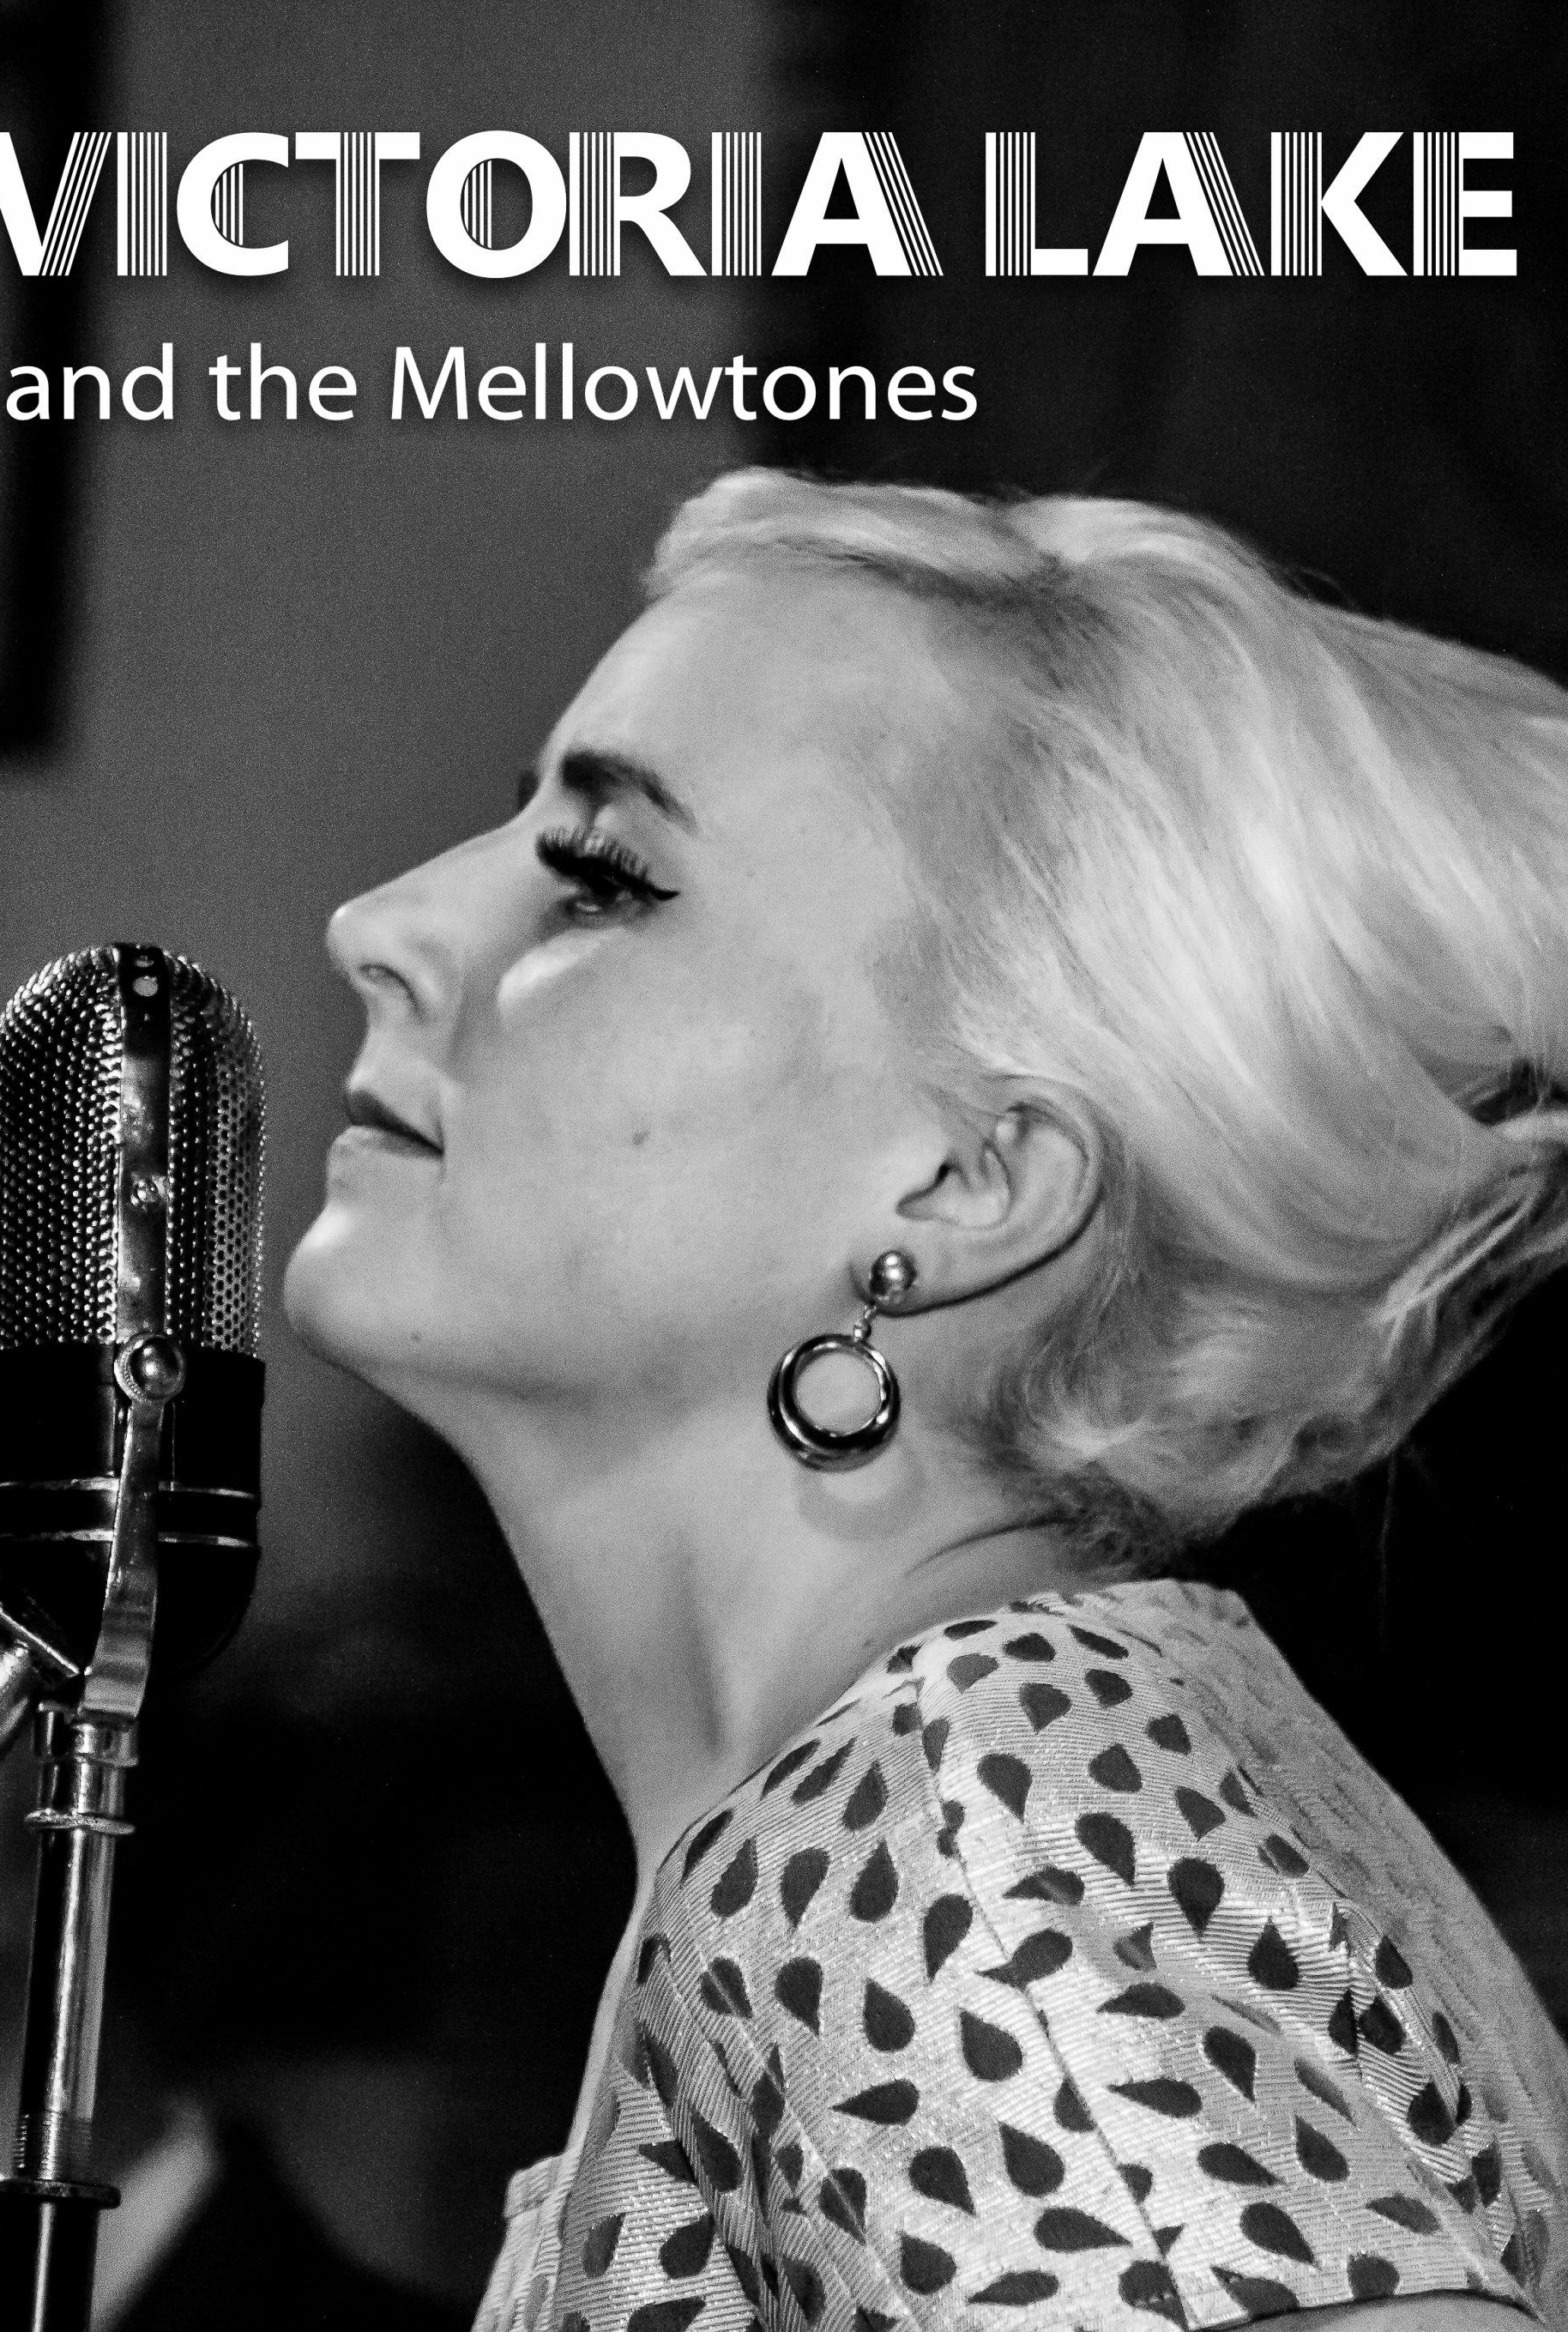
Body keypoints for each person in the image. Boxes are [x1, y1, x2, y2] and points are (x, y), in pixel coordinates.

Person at [284, 469, 1568, 2331]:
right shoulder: (990, 1800)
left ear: (972, 1185)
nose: (378, 923)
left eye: (604, 876)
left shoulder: (949, 1847)